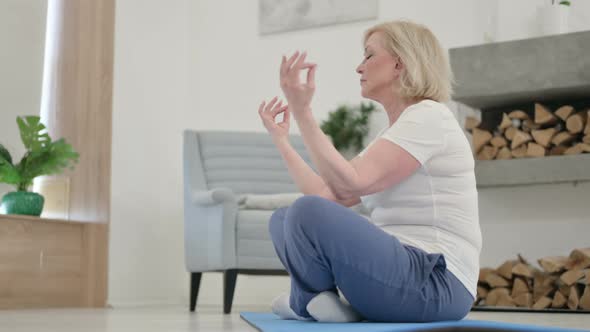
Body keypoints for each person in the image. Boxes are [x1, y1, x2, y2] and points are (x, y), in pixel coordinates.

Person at [257, 20, 482, 323]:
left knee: (305, 212)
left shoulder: (430, 116)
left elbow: (349, 185)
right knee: (284, 219)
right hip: (396, 278)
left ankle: (306, 301)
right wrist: (282, 140)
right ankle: (318, 302)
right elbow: (328, 196)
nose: (359, 68)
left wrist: (303, 111)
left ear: (400, 64)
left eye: (368, 56)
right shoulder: (391, 136)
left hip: (436, 284)